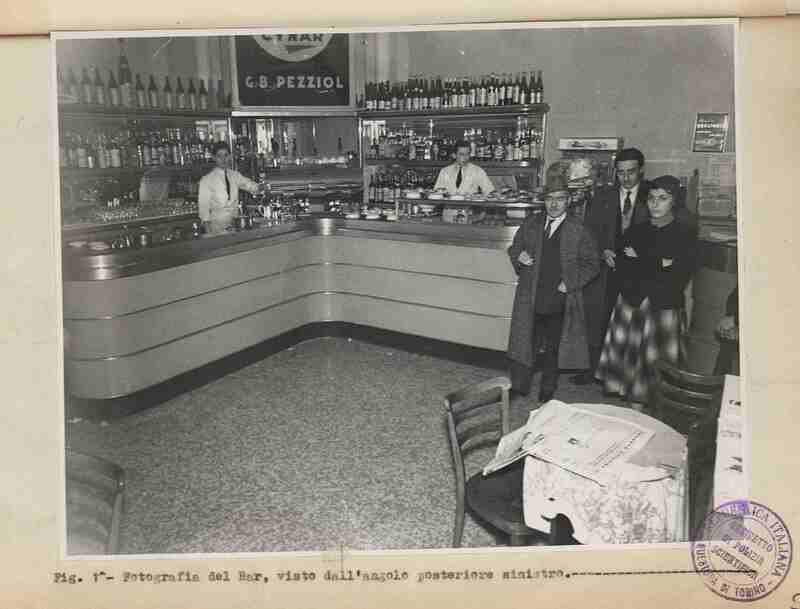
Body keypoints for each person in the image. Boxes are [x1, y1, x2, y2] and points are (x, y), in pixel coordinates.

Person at [595, 175, 698, 405]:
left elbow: (680, 273)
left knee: (657, 365)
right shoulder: (636, 230)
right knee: (631, 365)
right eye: (651, 198)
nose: (655, 203)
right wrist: (659, 263)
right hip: (633, 300)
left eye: (662, 198)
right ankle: (636, 407)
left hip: (663, 305)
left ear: (674, 202)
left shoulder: (684, 233)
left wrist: (641, 260)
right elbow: (622, 266)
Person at [507, 170, 602, 402]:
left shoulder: (578, 229)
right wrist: (518, 256)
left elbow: (592, 264)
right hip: (531, 294)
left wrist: (569, 283)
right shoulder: (532, 223)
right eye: (550, 198)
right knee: (525, 341)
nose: (554, 203)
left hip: (560, 298)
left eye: (560, 198)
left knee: (553, 346)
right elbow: (514, 247)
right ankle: (520, 385)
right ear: (544, 200)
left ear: (568, 201)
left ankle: (548, 387)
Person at [570, 147, 651, 385]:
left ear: (641, 171)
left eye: (631, 172)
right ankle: (594, 369)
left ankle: (625, 373)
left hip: (638, 271)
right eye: (620, 173)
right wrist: (603, 250)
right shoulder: (603, 196)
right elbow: (591, 232)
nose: (625, 178)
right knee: (598, 319)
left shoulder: (652, 195)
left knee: (632, 321)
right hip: (606, 268)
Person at [198, 142, 262, 234]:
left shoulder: (234, 175)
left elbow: (250, 185)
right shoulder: (206, 180)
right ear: (214, 158)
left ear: (230, 156)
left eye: (226, 155)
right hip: (216, 228)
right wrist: (209, 236)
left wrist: (261, 187)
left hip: (234, 225)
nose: (223, 159)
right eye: (219, 156)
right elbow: (204, 211)